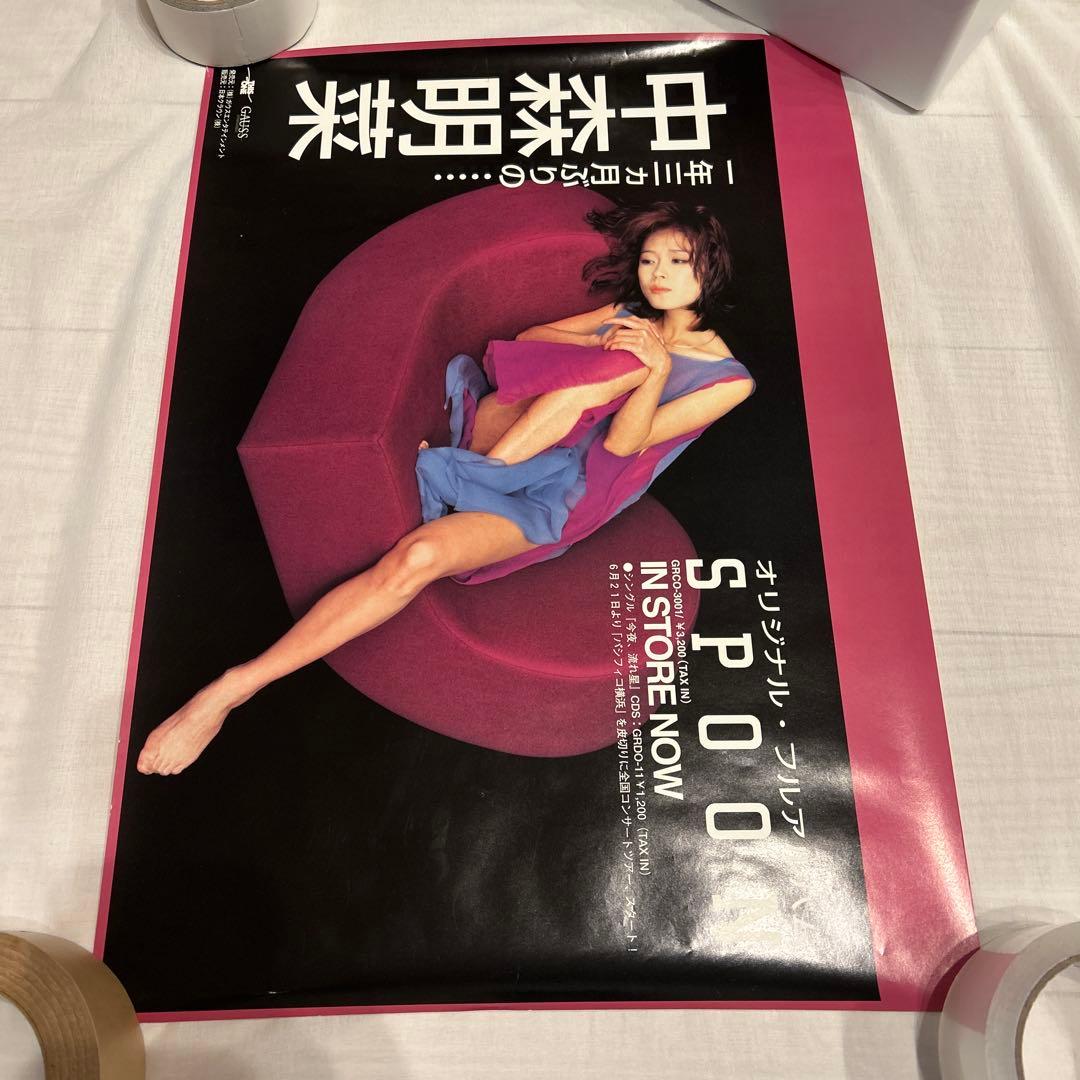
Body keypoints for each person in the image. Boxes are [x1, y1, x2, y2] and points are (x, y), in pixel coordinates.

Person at [136, 202, 754, 776]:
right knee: (615, 363)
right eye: (648, 259)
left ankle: (230, 691)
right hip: (507, 434)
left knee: (419, 557)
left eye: (677, 261)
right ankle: (470, 477)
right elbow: (529, 345)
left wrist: (656, 368)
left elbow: (624, 445)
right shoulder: (627, 318)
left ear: (711, 267)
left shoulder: (729, 381)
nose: (657, 275)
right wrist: (600, 346)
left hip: (562, 493)